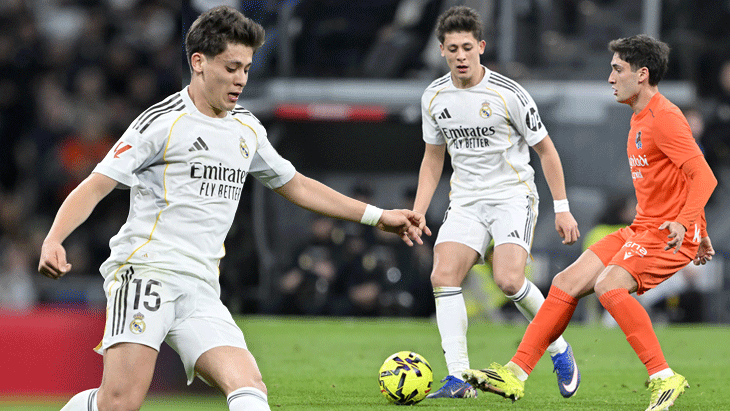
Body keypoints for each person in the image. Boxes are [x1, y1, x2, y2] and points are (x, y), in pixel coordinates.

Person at [37, 6, 429, 411]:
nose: (241, 79)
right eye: (231, 67)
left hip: (201, 287)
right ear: (199, 62)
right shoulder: (162, 122)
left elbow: (295, 184)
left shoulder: (246, 127)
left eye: (246, 68)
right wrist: (54, 239)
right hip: (147, 274)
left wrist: (377, 216)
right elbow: (96, 184)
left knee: (248, 386)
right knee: (119, 404)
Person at [462, 34, 718, 411]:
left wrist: (687, 225)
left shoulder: (664, 118)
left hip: (666, 233)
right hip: (645, 228)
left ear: (642, 75)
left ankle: (664, 376)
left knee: (609, 286)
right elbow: (680, 179)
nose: (610, 78)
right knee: (565, 283)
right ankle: (515, 374)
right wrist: (702, 231)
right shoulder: (639, 118)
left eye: (618, 69)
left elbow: (704, 176)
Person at [412, 6, 581, 400]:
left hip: (512, 196)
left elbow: (547, 151)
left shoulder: (508, 93)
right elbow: (432, 159)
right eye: (452, 48)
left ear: (481, 47)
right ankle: (458, 379)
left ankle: (559, 348)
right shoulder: (433, 97)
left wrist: (562, 208)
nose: (460, 55)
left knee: (508, 280)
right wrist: (418, 210)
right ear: (441, 50)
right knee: (443, 275)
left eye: (467, 47)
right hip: (466, 200)